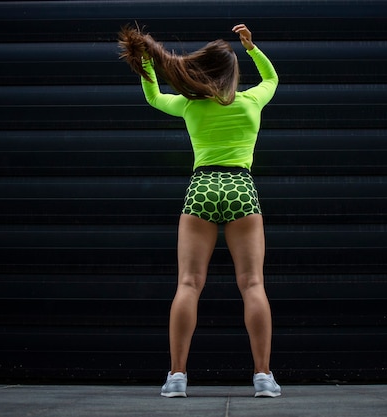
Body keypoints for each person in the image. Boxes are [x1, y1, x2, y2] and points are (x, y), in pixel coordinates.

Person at [118, 23, 280, 398]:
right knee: (253, 284)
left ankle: (176, 377)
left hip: (202, 188)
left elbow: (154, 98)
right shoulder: (251, 101)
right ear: (232, 73)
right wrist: (252, 48)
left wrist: (147, 64)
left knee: (188, 284)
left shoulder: (190, 105)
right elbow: (272, 78)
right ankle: (263, 377)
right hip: (241, 188)